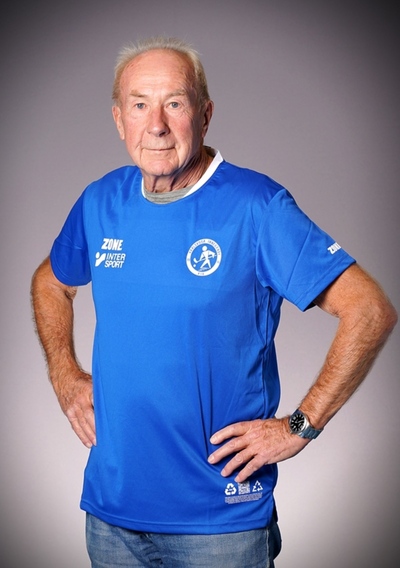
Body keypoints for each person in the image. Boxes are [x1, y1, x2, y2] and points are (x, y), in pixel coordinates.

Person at [31, 36, 397, 568]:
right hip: (111, 518)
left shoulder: (257, 206)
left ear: (204, 114)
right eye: (139, 105)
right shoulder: (99, 201)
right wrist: (65, 374)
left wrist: (301, 425)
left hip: (220, 526)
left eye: (174, 104)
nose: (156, 124)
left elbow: (370, 310)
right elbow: (51, 282)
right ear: (118, 119)